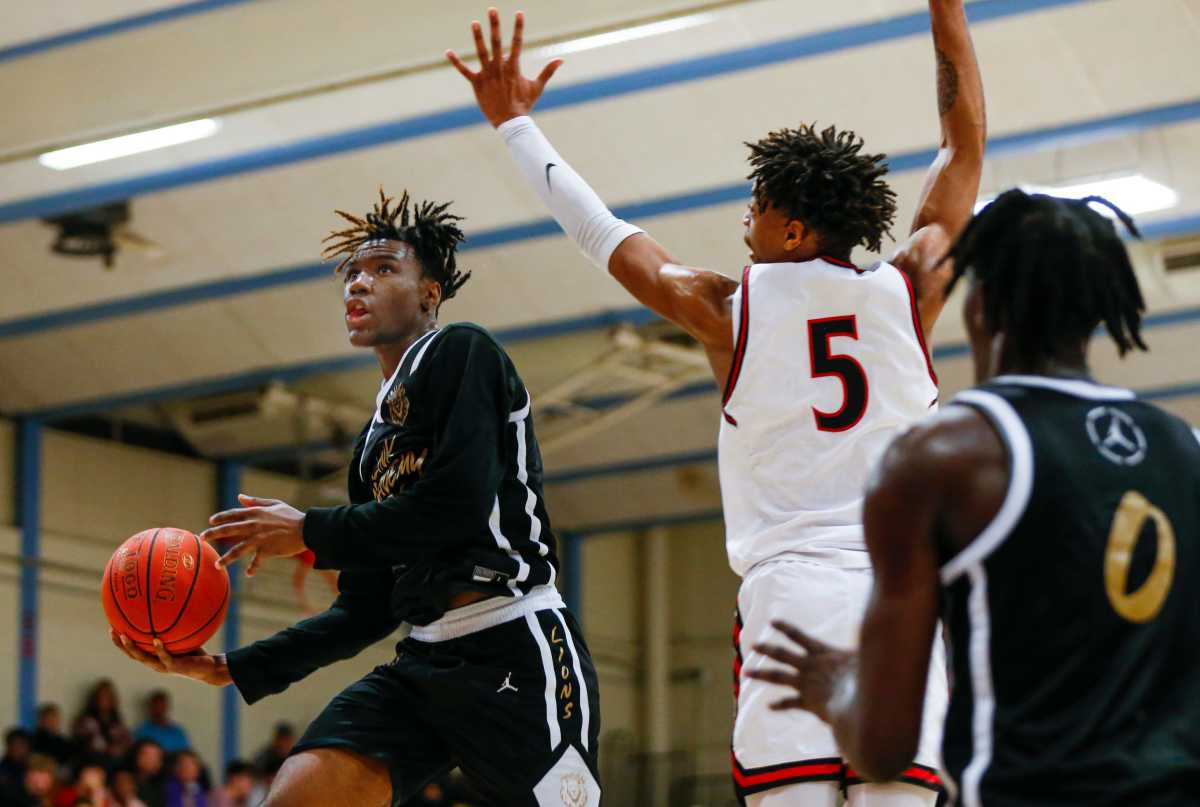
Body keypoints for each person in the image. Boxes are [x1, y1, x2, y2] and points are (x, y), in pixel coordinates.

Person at [446, 3, 985, 804]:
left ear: (795, 230)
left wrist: (515, 125)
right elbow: (962, 145)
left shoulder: (729, 309)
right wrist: (947, 9)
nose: (746, 217)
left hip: (792, 596)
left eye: (758, 203)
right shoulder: (909, 289)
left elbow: (603, 235)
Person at [111, 189, 602, 807]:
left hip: (517, 643)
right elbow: (366, 608)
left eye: (383, 269)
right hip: (425, 660)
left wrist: (309, 530)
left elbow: (457, 503)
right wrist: (234, 666)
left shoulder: (462, 352)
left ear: (430, 293)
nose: (358, 285)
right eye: (352, 273)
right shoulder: (372, 448)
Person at [748, 190, 1200, 805]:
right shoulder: (1183, 449)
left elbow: (884, 748)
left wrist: (837, 691)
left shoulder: (943, 459)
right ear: (1098, 310)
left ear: (980, 304)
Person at [71, 682, 130, 765]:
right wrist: (107, 749)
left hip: (115, 762)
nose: (104, 701)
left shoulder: (117, 723)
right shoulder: (85, 720)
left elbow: (126, 742)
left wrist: (119, 749)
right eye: (101, 697)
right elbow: (84, 744)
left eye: (107, 697)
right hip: (91, 761)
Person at [127, 741, 164, 807]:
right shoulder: (124, 781)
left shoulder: (162, 786)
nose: (151, 760)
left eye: (155, 756)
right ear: (136, 756)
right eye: (146, 755)